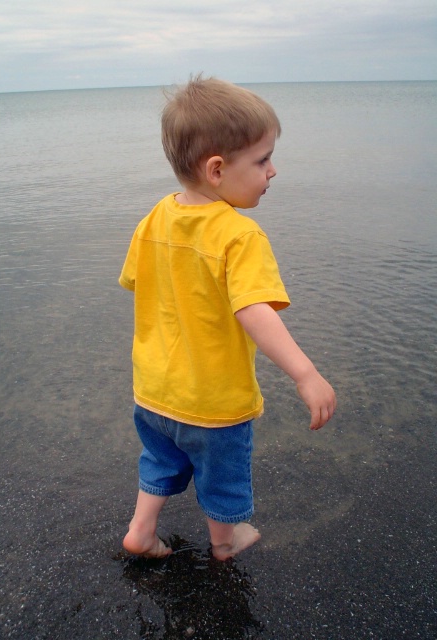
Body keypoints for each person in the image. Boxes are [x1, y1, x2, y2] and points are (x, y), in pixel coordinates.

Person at [119, 76, 336, 561]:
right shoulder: (240, 235)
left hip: (153, 390)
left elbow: (139, 283)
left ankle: (141, 529)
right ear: (217, 169)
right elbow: (254, 310)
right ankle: (224, 541)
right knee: (223, 476)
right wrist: (306, 374)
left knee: (159, 459)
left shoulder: (155, 217)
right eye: (262, 160)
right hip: (212, 400)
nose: (273, 171)